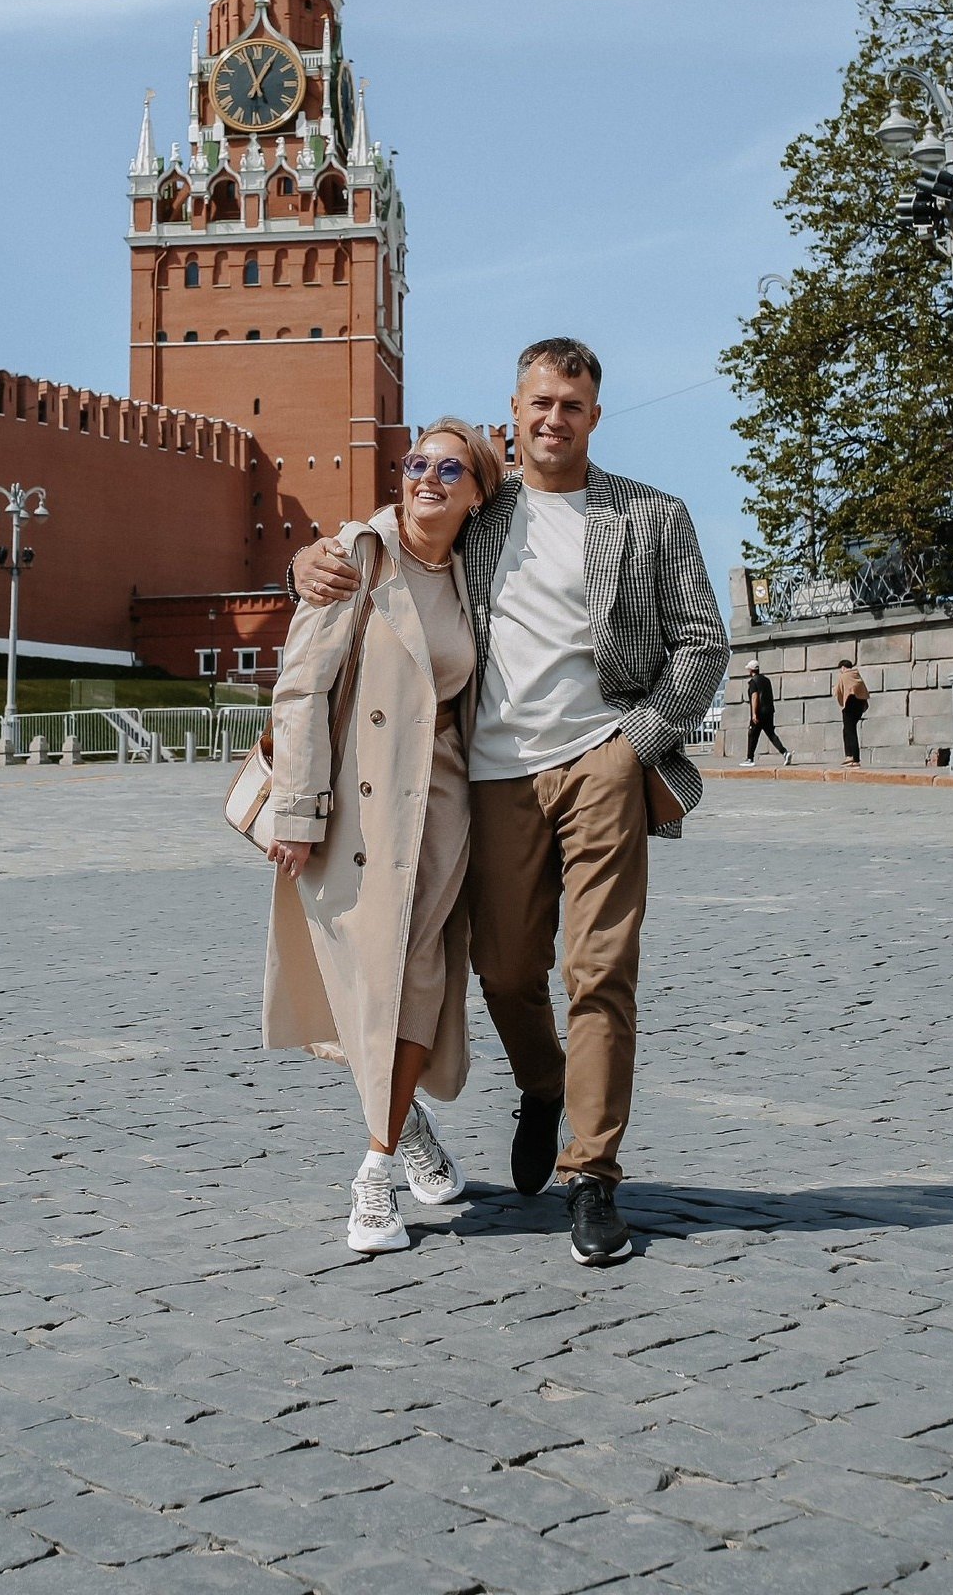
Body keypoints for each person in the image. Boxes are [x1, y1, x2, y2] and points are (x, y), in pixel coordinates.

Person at [290, 339, 727, 1268]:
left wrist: (635, 744)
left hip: (603, 763)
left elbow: (702, 643)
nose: (553, 418)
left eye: (571, 404)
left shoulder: (649, 516)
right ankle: (542, 1081)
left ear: (594, 416)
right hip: (492, 777)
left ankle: (592, 1178)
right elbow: (408, 520)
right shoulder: (486, 517)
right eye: (539, 402)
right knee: (501, 968)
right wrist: (316, 558)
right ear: (516, 410)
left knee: (599, 971)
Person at [264, 418, 503, 1255]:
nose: (426, 478)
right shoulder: (356, 557)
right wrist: (295, 809)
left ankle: (372, 1173)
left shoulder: (478, 572)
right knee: (364, 982)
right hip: (362, 808)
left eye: (449, 468)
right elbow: (301, 687)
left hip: (441, 807)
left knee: (418, 975)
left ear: (478, 492)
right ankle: (404, 1131)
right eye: (415, 463)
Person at [740, 658, 791, 766]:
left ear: (751, 670)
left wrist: (754, 713)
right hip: (769, 711)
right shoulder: (766, 680)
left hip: (759, 712)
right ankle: (785, 752)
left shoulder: (753, 682)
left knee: (752, 734)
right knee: (771, 734)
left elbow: (754, 697)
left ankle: (749, 759)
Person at [834, 657, 870, 767]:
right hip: (859, 705)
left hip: (849, 704)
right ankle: (851, 757)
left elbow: (838, 691)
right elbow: (863, 690)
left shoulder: (843, 676)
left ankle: (853, 758)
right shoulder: (856, 675)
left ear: (843, 667)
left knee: (849, 731)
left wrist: (842, 702)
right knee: (849, 730)